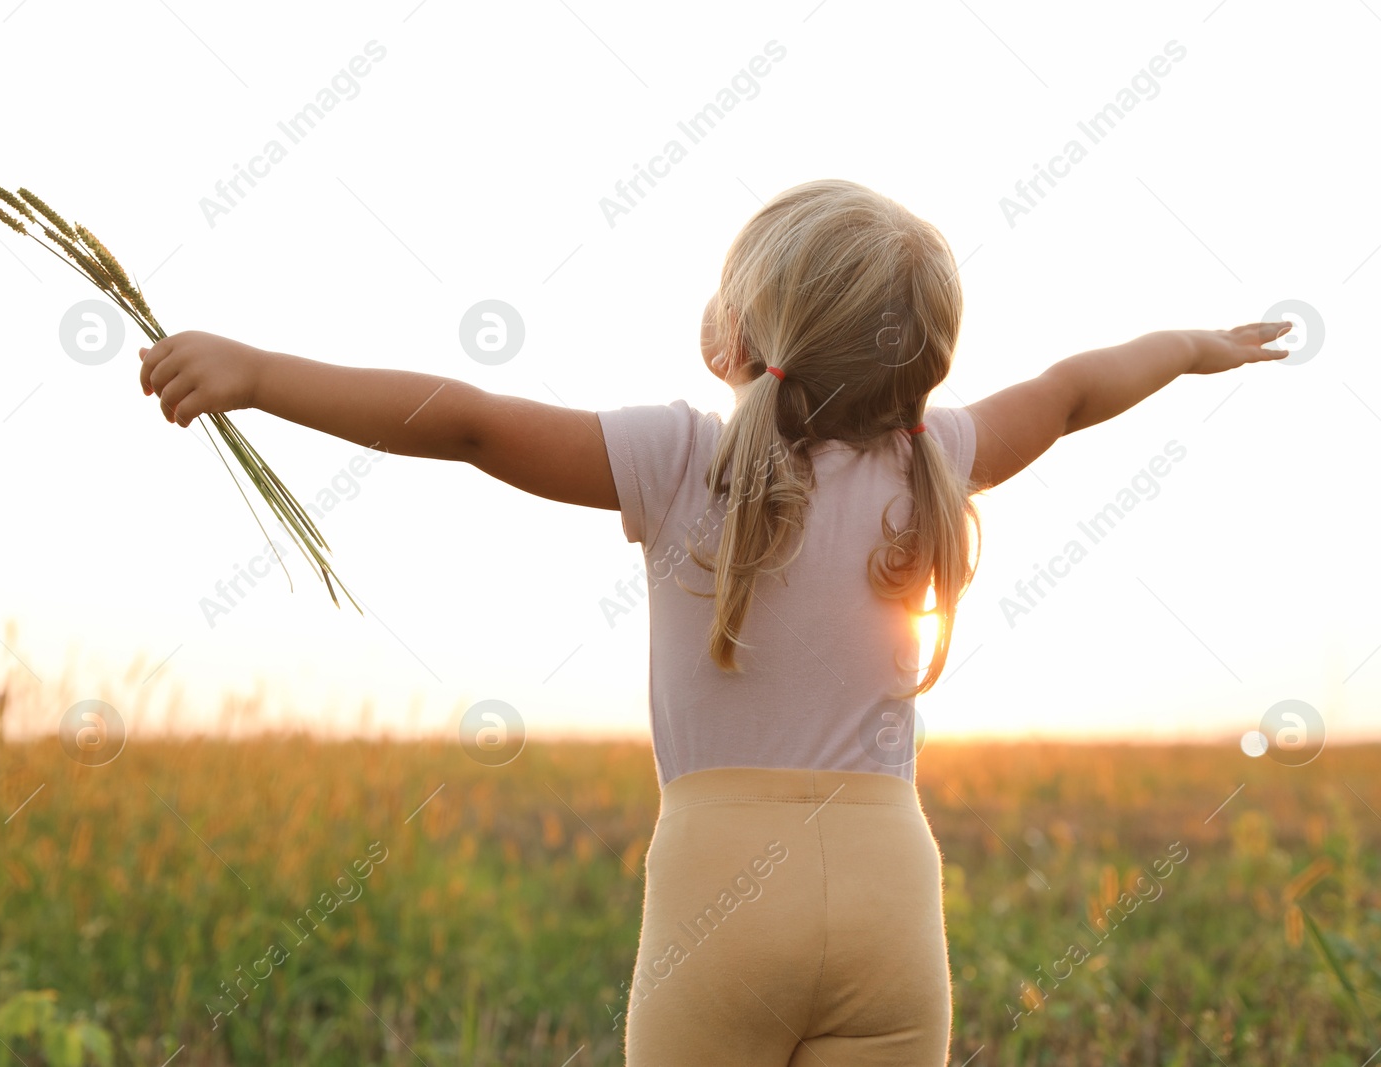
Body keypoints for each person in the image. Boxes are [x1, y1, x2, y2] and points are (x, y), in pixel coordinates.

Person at [137, 178, 1292, 1065]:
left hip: (719, 886)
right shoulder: (939, 459)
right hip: (892, 884)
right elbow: (1080, 386)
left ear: (740, 338)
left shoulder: (681, 460)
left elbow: (472, 425)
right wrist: (1194, 349)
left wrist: (261, 370)